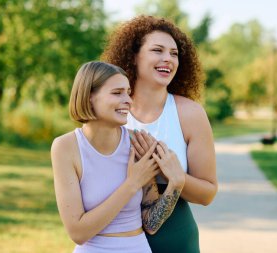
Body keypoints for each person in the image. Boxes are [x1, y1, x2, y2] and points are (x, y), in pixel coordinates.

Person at [102, 15, 218, 253]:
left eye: (174, 53)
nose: (168, 58)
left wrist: (173, 174)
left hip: (175, 240)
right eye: (157, 50)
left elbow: (207, 194)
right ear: (133, 56)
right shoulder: (111, 110)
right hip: (115, 238)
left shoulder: (191, 114)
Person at [51, 61, 185, 253]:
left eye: (128, 92)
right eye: (117, 93)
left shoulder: (137, 142)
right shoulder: (65, 147)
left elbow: (151, 224)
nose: (128, 100)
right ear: (89, 97)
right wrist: (131, 184)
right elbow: (78, 233)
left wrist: (176, 185)